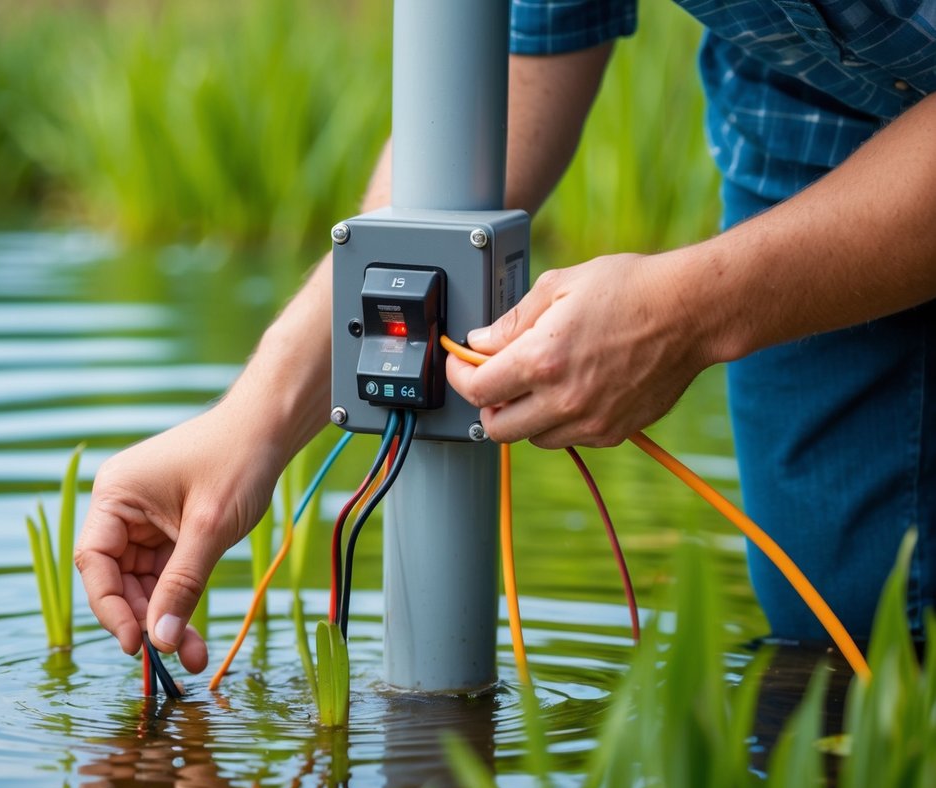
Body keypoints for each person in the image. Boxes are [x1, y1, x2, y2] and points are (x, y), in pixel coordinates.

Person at [76, 1, 936, 671]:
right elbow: (515, 70)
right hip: (807, 111)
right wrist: (252, 421)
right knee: (846, 627)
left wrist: (685, 313)